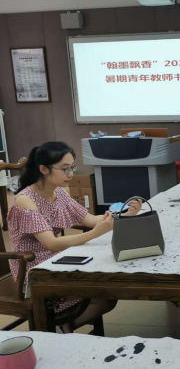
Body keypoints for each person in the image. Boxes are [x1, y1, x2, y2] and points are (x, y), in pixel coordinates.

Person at [8, 141, 142, 333]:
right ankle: (57, 327)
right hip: (33, 270)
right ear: (44, 169)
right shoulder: (25, 200)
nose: (70, 174)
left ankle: (63, 327)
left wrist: (125, 214)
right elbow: (51, 243)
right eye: (65, 169)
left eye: (72, 167)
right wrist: (95, 233)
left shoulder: (59, 193)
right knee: (103, 292)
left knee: (108, 295)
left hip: (56, 259)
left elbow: (90, 220)